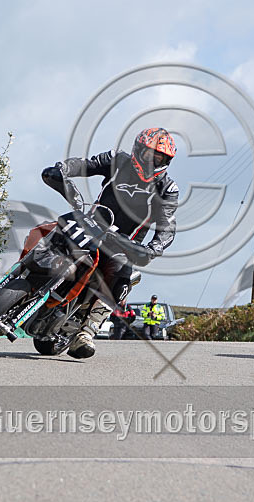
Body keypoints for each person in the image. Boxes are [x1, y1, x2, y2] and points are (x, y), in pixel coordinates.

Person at [42, 128, 179, 358]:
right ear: (138, 149)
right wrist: (62, 169)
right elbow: (85, 165)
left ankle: (87, 332)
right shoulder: (118, 159)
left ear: (166, 161)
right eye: (148, 154)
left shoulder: (167, 188)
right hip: (90, 224)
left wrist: (154, 248)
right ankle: (22, 275)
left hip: (125, 244)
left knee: (124, 276)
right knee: (56, 229)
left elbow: (167, 225)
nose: (152, 160)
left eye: (159, 157)